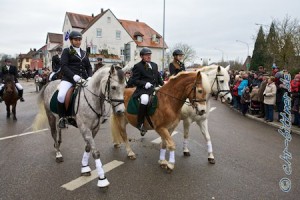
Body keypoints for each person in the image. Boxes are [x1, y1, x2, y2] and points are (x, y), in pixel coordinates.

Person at [57, 31, 93, 128]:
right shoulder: (66, 51)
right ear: (71, 40)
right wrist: (73, 76)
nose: (78, 42)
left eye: (79, 40)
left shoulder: (84, 53)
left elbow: (89, 67)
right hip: (69, 79)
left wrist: (90, 76)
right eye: (76, 40)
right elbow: (64, 66)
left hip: (83, 79)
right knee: (61, 96)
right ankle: (62, 118)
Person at [127, 47, 164, 136]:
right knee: (144, 99)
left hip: (154, 88)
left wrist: (163, 84)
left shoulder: (154, 65)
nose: (149, 56)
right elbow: (134, 80)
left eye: (149, 54)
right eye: (146, 55)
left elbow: (158, 77)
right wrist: (144, 83)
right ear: (142, 56)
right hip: (143, 90)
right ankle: (140, 123)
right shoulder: (138, 66)